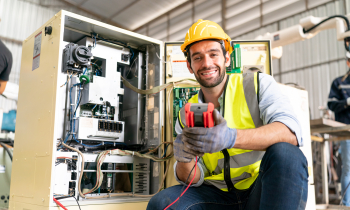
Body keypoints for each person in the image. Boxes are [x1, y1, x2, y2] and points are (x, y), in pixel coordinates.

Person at [147, 19, 308, 210]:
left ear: (227, 58)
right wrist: (184, 159)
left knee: (287, 155)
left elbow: (291, 133)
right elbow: (193, 178)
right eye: (197, 58)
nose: (207, 64)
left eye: (213, 54)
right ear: (189, 66)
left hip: (260, 189)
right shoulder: (186, 114)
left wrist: (231, 137)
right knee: (161, 204)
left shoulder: (256, 85)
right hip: (215, 196)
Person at [328, 52, 350, 206]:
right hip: (346, 131)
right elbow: (331, 103)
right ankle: (347, 204)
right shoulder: (338, 83)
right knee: (348, 168)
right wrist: (347, 102)